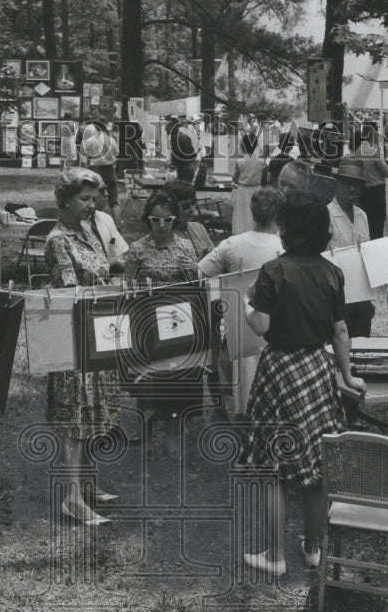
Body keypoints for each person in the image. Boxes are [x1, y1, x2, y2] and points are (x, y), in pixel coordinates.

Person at [239, 190, 366, 576]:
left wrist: (247, 303)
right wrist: (346, 374)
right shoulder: (332, 272)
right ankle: (313, 549)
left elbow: (260, 325)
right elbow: (341, 331)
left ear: (285, 229)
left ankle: (275, 556)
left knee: (274, 468)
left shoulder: (273, 271)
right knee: (315, 468)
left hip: (280, 370)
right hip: (316, 368)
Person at [44, 168, 120, 526]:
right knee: (75, 421)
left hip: (98, 331)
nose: (91, 206)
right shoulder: (58, 240)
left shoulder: (88, 230)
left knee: (93, 414)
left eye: (94, 198)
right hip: (75, 337)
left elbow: (103, 271)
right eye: (83, 199)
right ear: (65, 200)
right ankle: (71, 499)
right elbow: (70, 294)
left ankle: (87, 483)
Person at [124, 190, 201, 459]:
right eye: (155, 220)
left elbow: (196, 287)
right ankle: (145, 438)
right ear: (147, 220)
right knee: (147, 382)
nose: (161, 225)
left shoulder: (185, 247)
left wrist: (193, 268)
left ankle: (171, 437)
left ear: (174, 220)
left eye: (166, 220)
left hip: (178, 322)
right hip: (146, 322)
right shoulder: (137, 250)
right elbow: (127, 289)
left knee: (176, 381)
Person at [198, 187, 284, 420]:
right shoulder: (283, 247)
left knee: (239, 370)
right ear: (279, 215)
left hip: (237, 319)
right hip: (272, 321)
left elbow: (202, 272)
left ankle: (235, 413)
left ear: (252, 212)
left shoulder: (231, 244)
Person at [326, 156, 376, 337]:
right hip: (337, 296)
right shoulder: (326, 214)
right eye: (347, 183)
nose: (352, 188)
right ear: (337, 183)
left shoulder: (362, 215)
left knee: (362, 347)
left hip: (362, 294)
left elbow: (368, 256)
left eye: (357, 184)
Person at [350, 127, 388, 239]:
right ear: (372, 135)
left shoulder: (357, 151)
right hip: (377, 191)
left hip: (364, 191)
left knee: (366, 221)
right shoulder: (373, 151)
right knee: (378, 223)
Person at [79, 121, 120, 221]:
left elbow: (83, 159)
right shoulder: (110, 139)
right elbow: (117, 152)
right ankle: (118, 226)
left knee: (96, 199)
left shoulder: (88, 141)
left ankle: (96, 223)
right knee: (114, 201)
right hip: (109, 169)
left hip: (95, 170)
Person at [163, 179, 214, 259]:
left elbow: (215, 256)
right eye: (185, 205)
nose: (192, 209)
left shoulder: (198, 227)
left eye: (193, 203)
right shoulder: (163, 234)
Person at [230, 132, 267, 235]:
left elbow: (235, 178)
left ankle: (241, 232)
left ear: (243, 146)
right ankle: (255, 231)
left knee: (242, 213)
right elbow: (264, 178)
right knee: (253, 213)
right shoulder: (261, 161)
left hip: (243, 189)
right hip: (256, 189)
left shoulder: (240, 161)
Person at [90, 179, 128, 272]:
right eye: (102, 191)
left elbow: (122, 251)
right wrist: (109, 263)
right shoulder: (75, 225)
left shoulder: (106, 218)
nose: (107, 194)